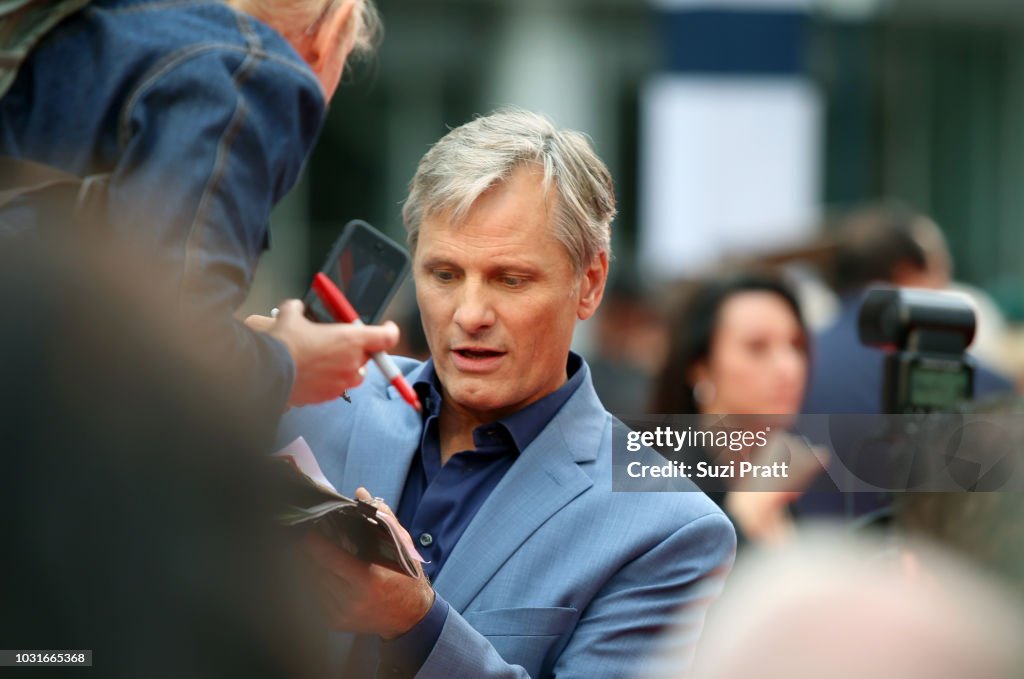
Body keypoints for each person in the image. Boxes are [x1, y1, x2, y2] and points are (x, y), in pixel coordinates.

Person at [273, 109, 736, 678]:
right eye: (443, 275)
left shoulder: (667, 528)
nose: (469, 315)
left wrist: (419, 625)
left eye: (509, 279)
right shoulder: (310, 398)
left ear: (588, 283)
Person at [0, 0, 395, 412]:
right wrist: (289, 363)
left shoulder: (102, 29)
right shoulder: (244, 70)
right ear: (333, 26)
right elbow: (169, 351)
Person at [650, 271, 819, 545]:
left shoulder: (785, 469)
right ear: (701, 368)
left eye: (796, 345)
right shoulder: (667, 492)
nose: (789, 367)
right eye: (757, 347)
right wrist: (747, 515)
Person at [803, 204, 1014, 415]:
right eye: (938, 273)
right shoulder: (973, 381)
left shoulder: (798, 358)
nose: (945, 289)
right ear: (908, 274)